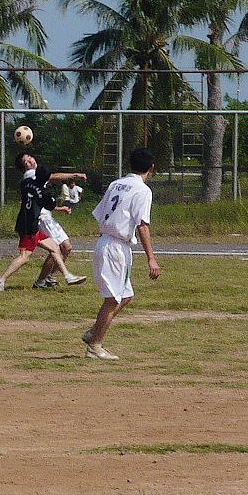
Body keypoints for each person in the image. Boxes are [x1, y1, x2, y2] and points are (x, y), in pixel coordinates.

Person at [82, 147, 161, 360]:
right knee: (112, 300)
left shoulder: (115, 184)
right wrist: (151, 259)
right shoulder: (143, 190)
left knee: (125, 296)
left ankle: (94, 332)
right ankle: (95, 345)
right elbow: (142, 225)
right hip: (116, 246)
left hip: (106, 241)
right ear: (151, 168)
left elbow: (100, 213)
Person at [0, 152, 87, 291]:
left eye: (30, 157)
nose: (30, 160)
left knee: (55, 248)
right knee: (25, 257)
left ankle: (67, 276)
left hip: (30, 223)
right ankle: (0, 280)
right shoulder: (39, 188)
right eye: (26, 161)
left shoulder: (27, 183)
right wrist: (75, 175)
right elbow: (49, 202)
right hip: (29, 225)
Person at [33, 171, 88, 290]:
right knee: (55, 249)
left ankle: (51, 277)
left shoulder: (41, 181)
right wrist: (76, 175)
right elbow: (55, 176)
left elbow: (47, 204)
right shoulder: (32, 177)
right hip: (42, 220)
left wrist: (60, 209)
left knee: (67, 247)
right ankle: (41, 281)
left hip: (50, 219)